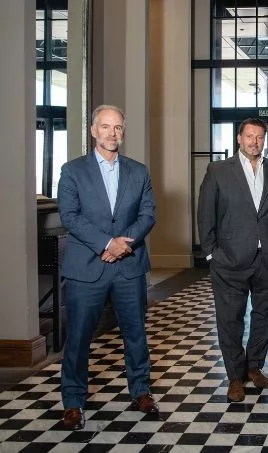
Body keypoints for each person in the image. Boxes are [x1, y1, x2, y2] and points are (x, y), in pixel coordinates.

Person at [58, 105, 158, 430]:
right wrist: (106, 243)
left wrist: (122, 246)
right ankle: (73, 402)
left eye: (117, 127)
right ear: (93, 131)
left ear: (123, 132)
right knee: (78, 337)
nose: (111, 133)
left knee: (136, 334)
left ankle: (141, 391)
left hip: (128, 265)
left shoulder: (139, 171)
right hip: (87, 267)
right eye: (105, 127)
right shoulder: (73, 170)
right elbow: (69, 216)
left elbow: (148, 214)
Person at [197, 118, 268, 402]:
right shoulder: (218, 171)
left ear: (264, 140)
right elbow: (205, 214)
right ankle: (235, 376)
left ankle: (254, 367)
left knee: (265, 316)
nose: (255, 141)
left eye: (260, 137)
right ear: (239, 138)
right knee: (230, 319)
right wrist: (212, 253)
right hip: (229, 260)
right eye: (249, 136)